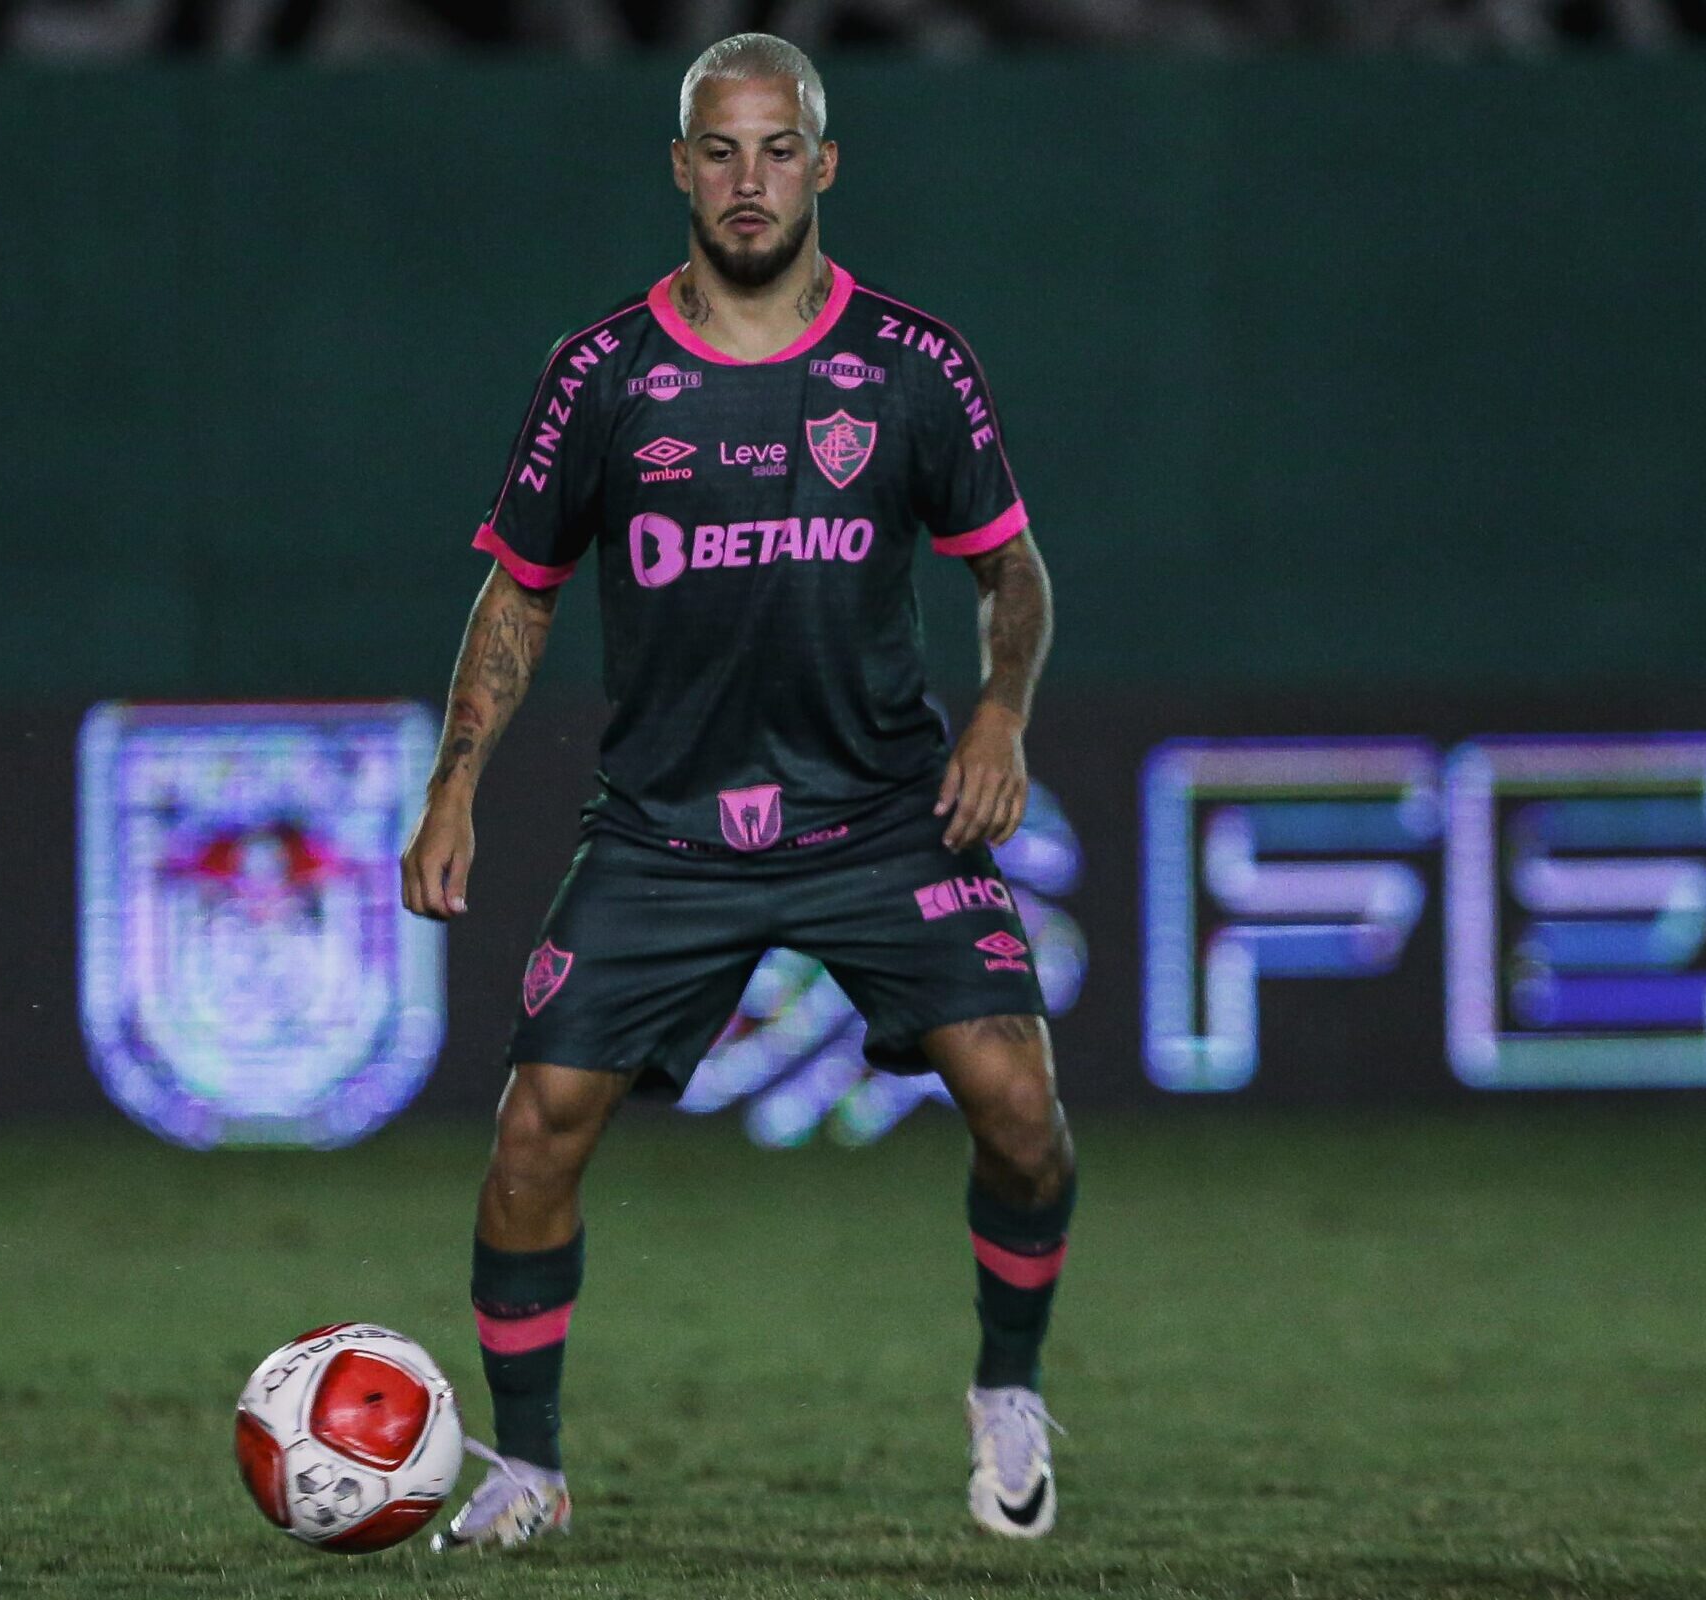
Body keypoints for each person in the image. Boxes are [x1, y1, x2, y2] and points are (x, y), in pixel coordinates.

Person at [399, 31, 1074, 1549]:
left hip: (884, 812)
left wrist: (1002, 710)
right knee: (532, 1133)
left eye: (779, 149)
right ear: (682, 169)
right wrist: (456, 783)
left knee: (1022, 1107)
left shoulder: (912, 367)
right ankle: (530, 1469)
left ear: (823, 165)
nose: (749, 179)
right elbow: (517, 597)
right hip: (666, 829)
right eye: (720, 150)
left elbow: (1009, 566)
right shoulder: (601, 376)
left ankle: (1008, 1389)